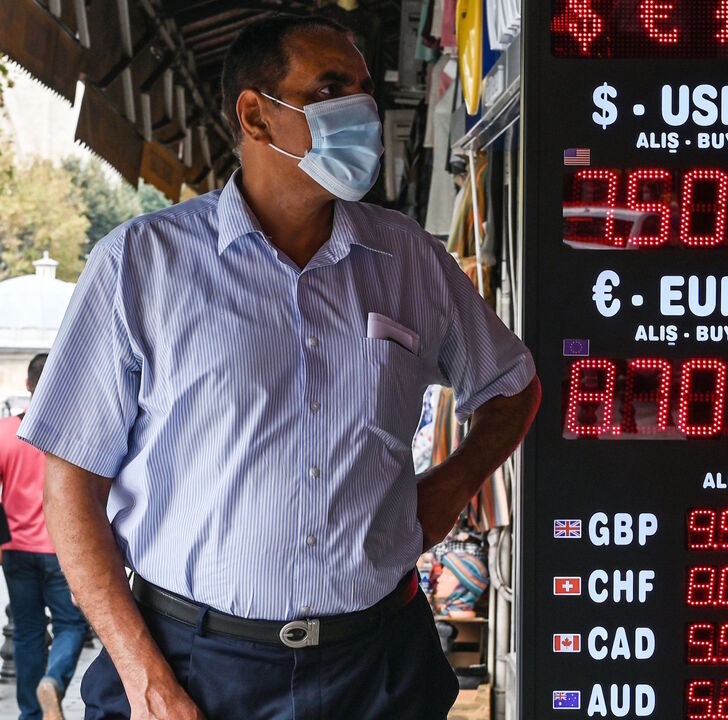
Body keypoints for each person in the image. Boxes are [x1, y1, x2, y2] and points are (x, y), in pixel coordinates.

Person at [18, 13, 539, 720]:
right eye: (330, 88)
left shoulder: (406, 260)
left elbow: (513, 388)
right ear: (256, 117)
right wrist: (144, 679)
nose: (363, 109)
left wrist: (451, 485)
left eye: (363, 89)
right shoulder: (142, 265)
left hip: (377, 666)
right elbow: (70, 489)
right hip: (195, 664)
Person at [0, 353, 90, 720]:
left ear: (27, 385)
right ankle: (53, 681)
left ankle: (30, 715)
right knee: (71, 624)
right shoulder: (73, 432)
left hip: (15, 550)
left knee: (27, 632)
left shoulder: (6, 432)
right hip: (62, 550)